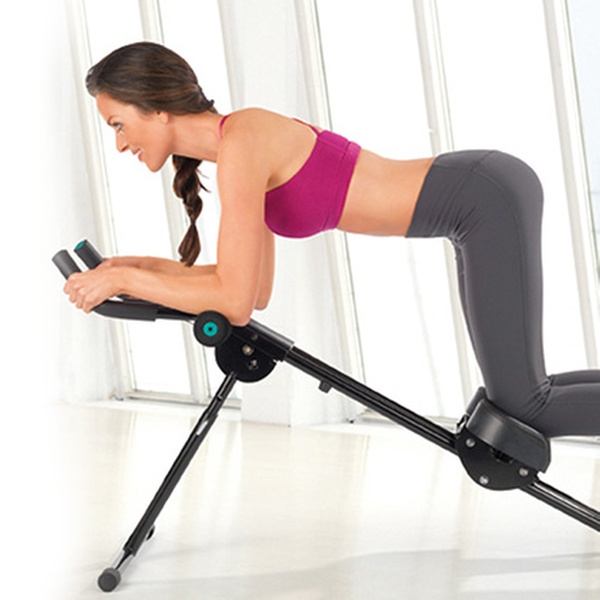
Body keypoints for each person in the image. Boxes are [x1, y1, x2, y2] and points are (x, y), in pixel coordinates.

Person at [64, 41, 600, 438]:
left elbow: (233, 300)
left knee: (523, 407)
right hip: (479, 199)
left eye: (118, 124)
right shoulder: (238, 147)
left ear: (157, 109)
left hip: (483, 200)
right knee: (528, 395)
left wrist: (125, 277)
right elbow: (252, 290)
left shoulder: (244, 143)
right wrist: (138, 271)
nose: (120, 144)